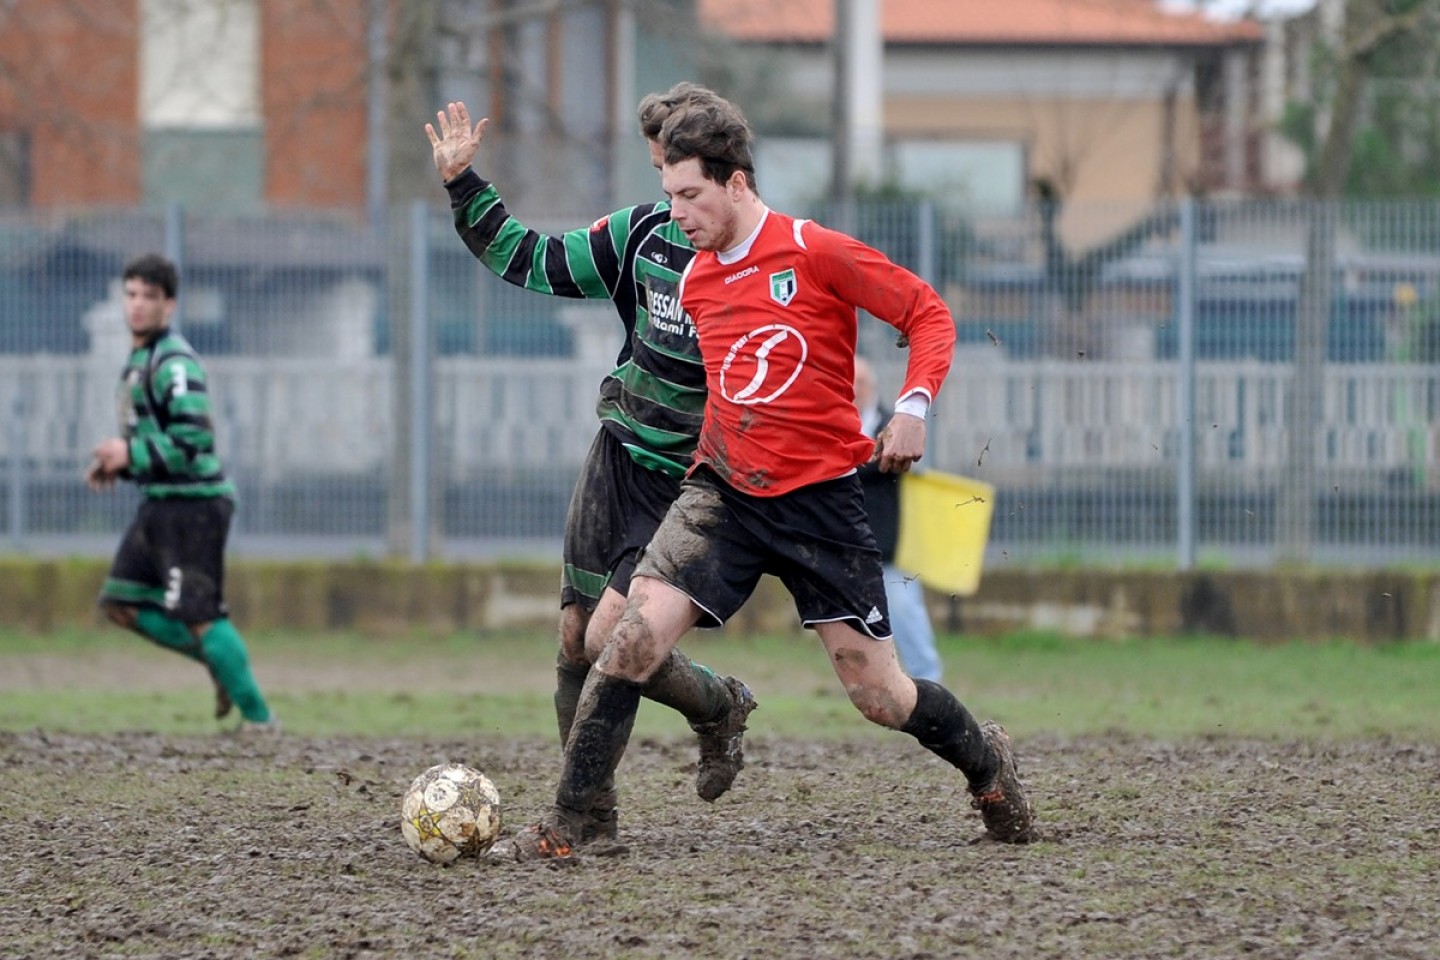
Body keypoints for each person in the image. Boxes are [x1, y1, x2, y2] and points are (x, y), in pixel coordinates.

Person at [505, 94, 1037, 860]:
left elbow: (926, 313)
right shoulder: (696, 283)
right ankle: (577, 824)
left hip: (820, 505)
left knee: (879, 695)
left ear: (737, 183)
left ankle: (987, 764)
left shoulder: (816, 252)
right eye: (668, 196)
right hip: (721, 496)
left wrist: (913, 407)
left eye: (689, 195)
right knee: (626, 644)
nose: (676, 213)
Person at [424, 87, 756, 850]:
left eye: (680, 180)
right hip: (617, 456)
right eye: (658, 175)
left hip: (694, 480)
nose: (669, 200)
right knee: (576, 635)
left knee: (616, 632)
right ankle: (596, 818)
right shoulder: (640, 234)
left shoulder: (760, 259)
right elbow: (531, 259)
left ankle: (714, 706)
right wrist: (463, 184)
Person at [86, 253, 277, 732]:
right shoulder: (137, 361)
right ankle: (221, 668)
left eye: (149, 296)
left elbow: (194, 441)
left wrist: (129, 454)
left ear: (169, 305)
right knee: (121, 603)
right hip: (162, 502)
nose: (137, 305)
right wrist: (122, 464)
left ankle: (260, 720)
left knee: (200, 616)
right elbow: (154, 442)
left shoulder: (173, 363)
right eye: (130, 294)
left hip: (194, 504)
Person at [853, 356, 943, 683]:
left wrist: (847, 463)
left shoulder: (892, 425)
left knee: (906, 613)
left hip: (886, 546)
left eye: (860, 383)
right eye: (850, 382)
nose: (854, 389)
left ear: (871, 386)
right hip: (845, 544)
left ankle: (929, 680)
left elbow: (886, 461)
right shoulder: (838, 424)